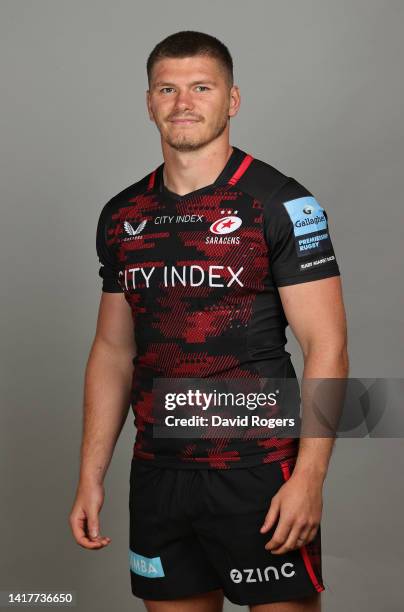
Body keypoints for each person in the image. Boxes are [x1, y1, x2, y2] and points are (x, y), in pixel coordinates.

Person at [69, 30, 348, 612]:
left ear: (233, 100)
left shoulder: (280, 203)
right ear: (149, 102)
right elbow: (113, 352)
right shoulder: (123, 215)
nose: (183, 103)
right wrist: (90, 475)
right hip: (158, 473)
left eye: (201, 87)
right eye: (167, 89)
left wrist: (310, 478)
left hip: (259, 470)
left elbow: (328, 347)